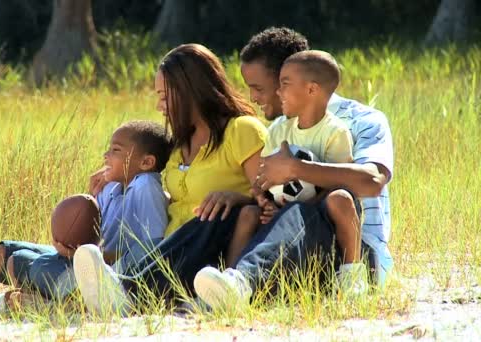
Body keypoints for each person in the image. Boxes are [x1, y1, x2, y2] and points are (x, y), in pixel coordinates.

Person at [193, 27, 394, 310]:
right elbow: (275, 187)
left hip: (353, 251)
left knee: (300, 211)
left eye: (260, 88)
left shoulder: (362, 121)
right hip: (302, 251)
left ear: (293, 80)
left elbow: (372, 181)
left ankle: (242, 282)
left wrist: (296, 168)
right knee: (235, 212)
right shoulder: (280, 129)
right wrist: (242, 198)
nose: (254, 98)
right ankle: (139, 285)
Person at [72, 43, 267, 316]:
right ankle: (114, 289)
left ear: (190, 90)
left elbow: (269, 201)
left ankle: (127, 294)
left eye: (164, 96)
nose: (158, 105)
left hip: (216, 242)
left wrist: (237, 197)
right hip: (172, 245)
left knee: (214, 215)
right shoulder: (179, 145)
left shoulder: (242, 130)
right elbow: (177, 201)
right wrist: (118, 182)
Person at [0, 120, 171, 306]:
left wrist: (81, 254)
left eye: (116, 151)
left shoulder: (146, 185)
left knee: (23, 262)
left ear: (146, 162)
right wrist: (91, 198)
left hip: (109, 280)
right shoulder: (114, 188)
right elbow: (97, 235)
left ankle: (50, 304)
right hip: (83, 263)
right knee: (6, 252)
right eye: (108, 149)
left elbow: (147, 250)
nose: (105, 156)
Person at [226, 50, 361, 288]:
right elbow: (261, 179)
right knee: (248, 214)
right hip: (282, 212)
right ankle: (231, 276)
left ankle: (351, 275)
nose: (278, 91)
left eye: (285, 84)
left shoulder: (335, 133)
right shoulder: (279, 130)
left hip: (320, 220)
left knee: (340, 198)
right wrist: (265, 201)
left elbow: (337, 185)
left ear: (311, 90)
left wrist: (288, 208)